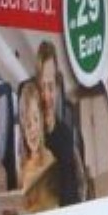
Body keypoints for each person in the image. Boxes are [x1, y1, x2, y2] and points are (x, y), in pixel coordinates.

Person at [36, 40, 82, 205]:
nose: (46, 96)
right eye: (42, 87)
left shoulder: (65, 135)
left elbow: (72, 194)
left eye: (50, 87)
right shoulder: (31, 134)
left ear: (57, 87)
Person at [18, 81, 59, 212]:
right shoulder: (23, 166)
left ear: (41, 121)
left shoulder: (49, 159)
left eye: (35, 119)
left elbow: (52, 204)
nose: (32, 129)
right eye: (28, 124)